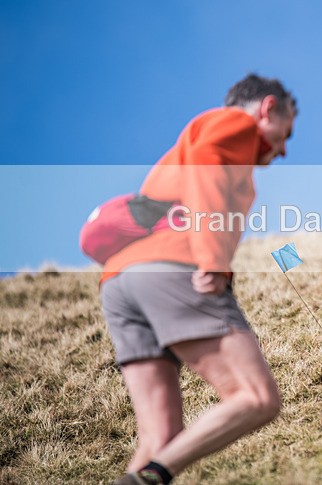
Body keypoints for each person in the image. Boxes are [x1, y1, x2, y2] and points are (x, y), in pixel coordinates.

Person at [101, 74, 296, 485]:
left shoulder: (187, 146)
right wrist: (212, 258)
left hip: (122, 281)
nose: (283, 149)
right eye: (287, 132)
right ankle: (152, 476)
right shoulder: (233, 123)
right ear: (267, 109)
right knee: (257, 397)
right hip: (175, 269)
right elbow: (207, 164)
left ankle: (145, 473)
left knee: (159, 438)